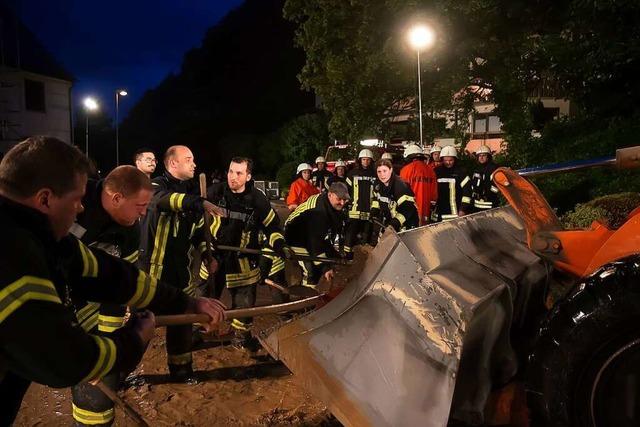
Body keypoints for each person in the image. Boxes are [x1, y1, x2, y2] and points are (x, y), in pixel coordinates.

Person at [0, 137, 225, 425]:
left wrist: (187, 301)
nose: (81, 209)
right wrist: (132, 340)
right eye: (76, 199)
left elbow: (111, 274)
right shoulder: (14, 256)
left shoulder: (42, 237)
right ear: (45, 199)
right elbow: (66, 361)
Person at [68, 165, 153, 426]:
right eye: (139, 205)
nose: (144, 213)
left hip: (94, 298)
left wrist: (109, 339)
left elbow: (123, 281)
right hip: (57, 298)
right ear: (116, 198)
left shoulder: (130, 227)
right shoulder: (74, 203)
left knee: (106, 366)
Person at [139, 145, 223, 383]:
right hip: (152, 276)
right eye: (188, 159)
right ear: (173, 164)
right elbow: (161, 201)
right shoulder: (155, 186)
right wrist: (199, 203)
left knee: (182, 328)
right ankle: (120, 372)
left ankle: (182, 372)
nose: (194, 164)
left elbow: (198, 233)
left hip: (182, 276)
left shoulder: (191, 193)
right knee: (141, 329)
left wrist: (208, 253)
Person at [205, 157, 290, 350]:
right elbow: (197, 225)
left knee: (244, 303)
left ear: (248, 176)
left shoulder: (258, 199)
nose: (232, 177)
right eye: (230, 171)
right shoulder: (213, 193)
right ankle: (200, 333)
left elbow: (273, 227)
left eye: (239, 173)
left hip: (243, 259)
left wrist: (279, 245)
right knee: (205, 298)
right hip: (214, 256)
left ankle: (240, 337)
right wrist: (205, 248)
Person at [284, 182, 349, 290]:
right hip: (295, 237)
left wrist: (336, 255)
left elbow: (325, 236)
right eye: (339, 199)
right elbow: (314, 243)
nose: (342, 203)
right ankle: (308, 300)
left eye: (345, 199)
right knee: (312, 270)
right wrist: (325, 268)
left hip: (313, 235)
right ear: (330, 195)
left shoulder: (331, 205)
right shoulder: (318, 211)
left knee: (327, 260)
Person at [344, 149, 376, 258]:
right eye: (364, 160)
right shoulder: (352, 174)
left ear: (371, 161)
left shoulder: (375, 175)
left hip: (369, 211)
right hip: (354, 210)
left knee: (366, 235)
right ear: (360, 160)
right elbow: (345, 190)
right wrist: (346, 203)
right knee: (350, 234)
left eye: (368, 160)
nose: (366, 162)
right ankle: (347, 255)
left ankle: (363, 257)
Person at [373, 159, 419, 233]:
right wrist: (374, 210)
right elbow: (376, 198)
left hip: (406, 224)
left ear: (391, 170)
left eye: (385, 171)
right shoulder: (377, 184)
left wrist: (396, 222)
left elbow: (408, 209)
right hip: (389, 222)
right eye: (379, 172)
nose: (382, 175)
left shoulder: (400, 186)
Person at [400, 144, 438, 226]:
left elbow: (401, 191)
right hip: (426, 211)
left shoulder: (405, 170)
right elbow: (434, 194)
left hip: (410, 210)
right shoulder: (431, 171)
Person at [432, 146, 472, 222]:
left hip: (456, 215)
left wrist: (463, 209)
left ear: (455, 160)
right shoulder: (436, 172)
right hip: (438, 215)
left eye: (451, 160)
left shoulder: (461, 173)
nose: (448, 163)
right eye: (445, 160)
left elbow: (467, 193)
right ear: (442, 160)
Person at [471, 145, 500, 212]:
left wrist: (488, 193)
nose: (481, 158)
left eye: (484, 155)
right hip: (477, 204)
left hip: (490, 203)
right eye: (479, 156)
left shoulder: (493, 169)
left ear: (488, 157)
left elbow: (496, 187)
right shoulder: (476, 169)